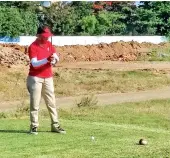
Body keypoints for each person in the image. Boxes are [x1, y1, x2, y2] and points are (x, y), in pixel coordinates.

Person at [27, 26, 66, 135]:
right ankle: (34, 126)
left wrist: (54, 60)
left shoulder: (49, 44)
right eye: (44, 36)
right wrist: (46, 60)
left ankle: (55, 125)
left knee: (51, 102)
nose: (47, 38)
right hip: (35, 78)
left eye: (48, 36)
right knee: (35, 103)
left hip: (48, 77)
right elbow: (34, 63)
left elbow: (55, 56)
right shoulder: (33, 47)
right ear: (38, 35)